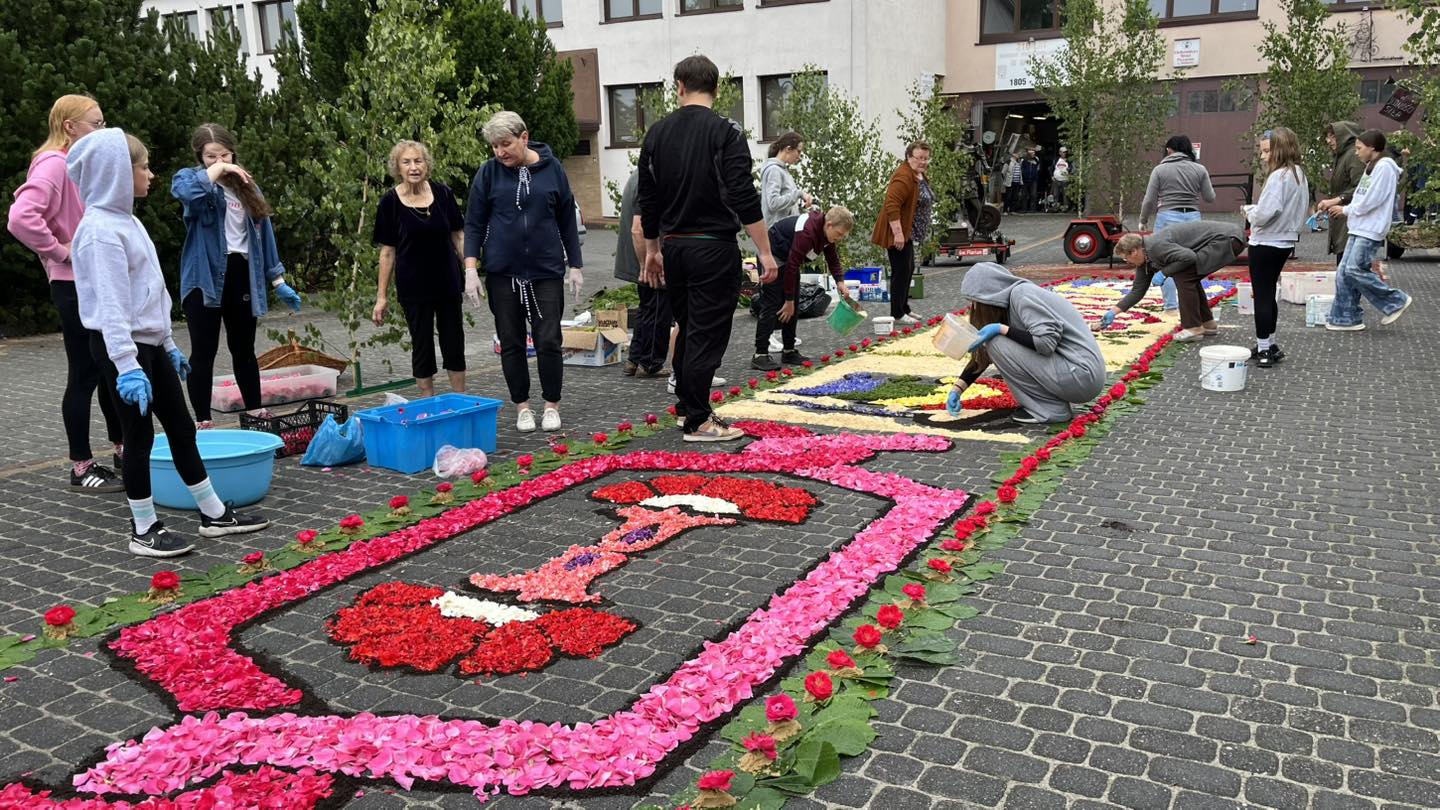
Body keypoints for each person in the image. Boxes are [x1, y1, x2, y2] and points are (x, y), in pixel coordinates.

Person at [67, 128, 269, 556]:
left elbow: (151, 292)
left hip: (148, 345)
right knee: (138, 438)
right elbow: (112, 306)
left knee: (180, 428)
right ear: (117, 173)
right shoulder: (100, 231)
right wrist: (126, 366)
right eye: (143, 167)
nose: (151, 175)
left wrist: (167, 343)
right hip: (123, 350)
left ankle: (214, 514)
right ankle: (143, 529)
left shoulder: (128, 221)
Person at [637, 55, 777, 443]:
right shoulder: (725, 132)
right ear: (717, 88)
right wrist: (765, 251)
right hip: (712, 246)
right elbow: (743, 195)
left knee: (687, 327)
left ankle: (688, 407)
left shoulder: (657, 133)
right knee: (707, 333)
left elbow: (648, 199)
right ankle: (699, 420)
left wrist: (652, 249)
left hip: (674, 247)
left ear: (679, 87)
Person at [7, 94, 125, 493]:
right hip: (73, 284)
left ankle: (123, 449)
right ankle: (81, 466)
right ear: (69, 126)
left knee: (111, 366)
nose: (103, 129)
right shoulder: (54, 163)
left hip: (95, 278)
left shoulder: (79, 162)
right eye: (96, 122)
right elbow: (21, 218)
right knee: (85, 372)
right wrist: (60, 252)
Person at [172, 124, 300, 429]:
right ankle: (203, 420)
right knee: (204, 351)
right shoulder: (191, 180)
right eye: (211, 156)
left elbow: (265, 234)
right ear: (200, 157)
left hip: (241, 274)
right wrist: (220, 170)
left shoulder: (247, 186)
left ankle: (256, 412)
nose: (219, 161)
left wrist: (278, 280)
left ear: (233, 151)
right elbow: (185, 194)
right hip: (203, 278)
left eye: (225, 155)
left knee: (243, 349)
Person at [464, 110, 583, 433]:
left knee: (548, 340)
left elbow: (566, 219)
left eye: (505, 144)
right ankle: (523, 406)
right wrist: (471, 268)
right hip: (503, 273)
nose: (500, 152)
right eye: (494, 146)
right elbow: (474, 223)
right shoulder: (488, 173)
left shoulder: (553, 169)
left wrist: (575, 264)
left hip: (545, 271)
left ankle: (551, 405)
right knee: (511, 341)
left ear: (524, 137)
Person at [947, 263, 1105, 425]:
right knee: (994, 341)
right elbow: (983, 354)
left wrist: (1001, 329)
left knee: (995, 341)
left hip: (1081, 375)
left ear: (988, 296)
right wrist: (957, 389)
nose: (974, 307)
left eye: (975, 301)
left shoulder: (1022, 294)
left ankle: (1049, 409)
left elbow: (1045, 344)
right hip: (1079, 375)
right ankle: (1050, 405)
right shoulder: (1012, 300)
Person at [371, 140, 466, 397]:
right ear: (397, 168)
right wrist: (381, 297)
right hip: (414, 287)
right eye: (407, 162)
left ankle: (461, 400)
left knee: (454, 343)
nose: (413, 167)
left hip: (447, 282)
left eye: (418, 161)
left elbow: (458, 236)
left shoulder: (443, 193)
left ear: (427, 165)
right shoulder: (390, 202)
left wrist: (471, 272)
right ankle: (427, 402)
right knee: (422, 346)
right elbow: (387, 252)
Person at [1323, 129, 1413, 331]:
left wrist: (1346, 210)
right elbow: (1361, 194)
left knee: (1354, 269)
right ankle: (1346, 318)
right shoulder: (1371, 166)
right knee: (1344, 272)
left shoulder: (1385, 167)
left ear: (1372, 148)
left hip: (1370, 228)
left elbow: (1372, 199)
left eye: (1359, 148)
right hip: (1359, 226)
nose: (1356, 152)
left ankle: (1395, 301)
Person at [1096, 221, 1244, 342]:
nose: (1127, 262)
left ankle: (1193, 327)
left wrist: (1164, 272)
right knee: (1188, 276)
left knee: (1184, 275)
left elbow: (1189, 257)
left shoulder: (1156, 246)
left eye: (1126, 258)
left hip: (1226, 239)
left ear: (1134, 251)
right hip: (1226, 238)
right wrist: (1113, 312)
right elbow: (1137, 291)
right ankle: (1207, 323)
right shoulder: (1144, 259)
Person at [751, 206, 855, 371]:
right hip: (774, 255)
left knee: (794, 304)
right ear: (829, 225)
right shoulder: (807, 232)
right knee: (772, 303)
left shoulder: (827, 234)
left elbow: (832, 257)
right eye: (839, 234)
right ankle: (760, 354)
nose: (840, 238)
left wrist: (840, 281)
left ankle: (789, 350)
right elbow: (792, 265)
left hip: (790, 258)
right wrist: (788, 300)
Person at [1244, 127, 1308, 368]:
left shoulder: (1278, 176)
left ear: (1279, 150)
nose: (1263, 157)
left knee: (1262, 295)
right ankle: (1269, 343)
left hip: (1266, 241)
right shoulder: (1298, 174)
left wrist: (1250, 212)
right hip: (1285, 240)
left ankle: (1263, 348)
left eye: (1266, 151)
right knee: (1268, 293)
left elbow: (1266, 213)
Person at [1139, 135, 1216, 312]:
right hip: (1193, 220)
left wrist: (1143, 220)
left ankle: (1171, 307)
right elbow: (1210, 197)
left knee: (1165, 262)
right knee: (1190, 263)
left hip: (1167, 217)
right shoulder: (1200, 169)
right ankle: (1192, 307)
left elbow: (1149, 200)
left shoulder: (1159, 170)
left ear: (1169, 150)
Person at [871, 141, 932, 325]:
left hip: (909, 232)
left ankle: (904, 307)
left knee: (908, 268)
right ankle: (897, 313)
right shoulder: (903, 176)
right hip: (898, 232)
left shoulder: (917, 174)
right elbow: (892, 206)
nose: (922, 162)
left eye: (926, 158)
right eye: (919, 158)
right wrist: (898, 233)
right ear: (908, 157)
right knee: (901, 270)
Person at [617, 169, 668, 378]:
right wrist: (647, 264)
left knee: (647, 308)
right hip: (649, 258)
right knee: (658, 310)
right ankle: (650, 363)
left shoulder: (639, 174)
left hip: (643, 257)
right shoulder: (652, 176)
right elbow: (638, 229)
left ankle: (635, 359)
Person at [1316, 122, 1365, 266]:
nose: (1328, 140)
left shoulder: (1352, 155)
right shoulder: (1343, 155)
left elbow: (1361, 187)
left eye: (1332, 136)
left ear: (1344, 136)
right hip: (1345, 220)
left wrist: (1337, 200)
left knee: (1349, 269)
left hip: (1351, 221)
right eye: (1327, 137)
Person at [760, 131, 813, 227]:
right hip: (777, 232)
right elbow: (773, 203)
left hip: (784, 230)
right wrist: (799, 194)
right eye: (798, 151)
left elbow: (786, 204)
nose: (799, 157)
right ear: (788, 149)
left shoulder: (783, 170)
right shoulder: (774, 170)